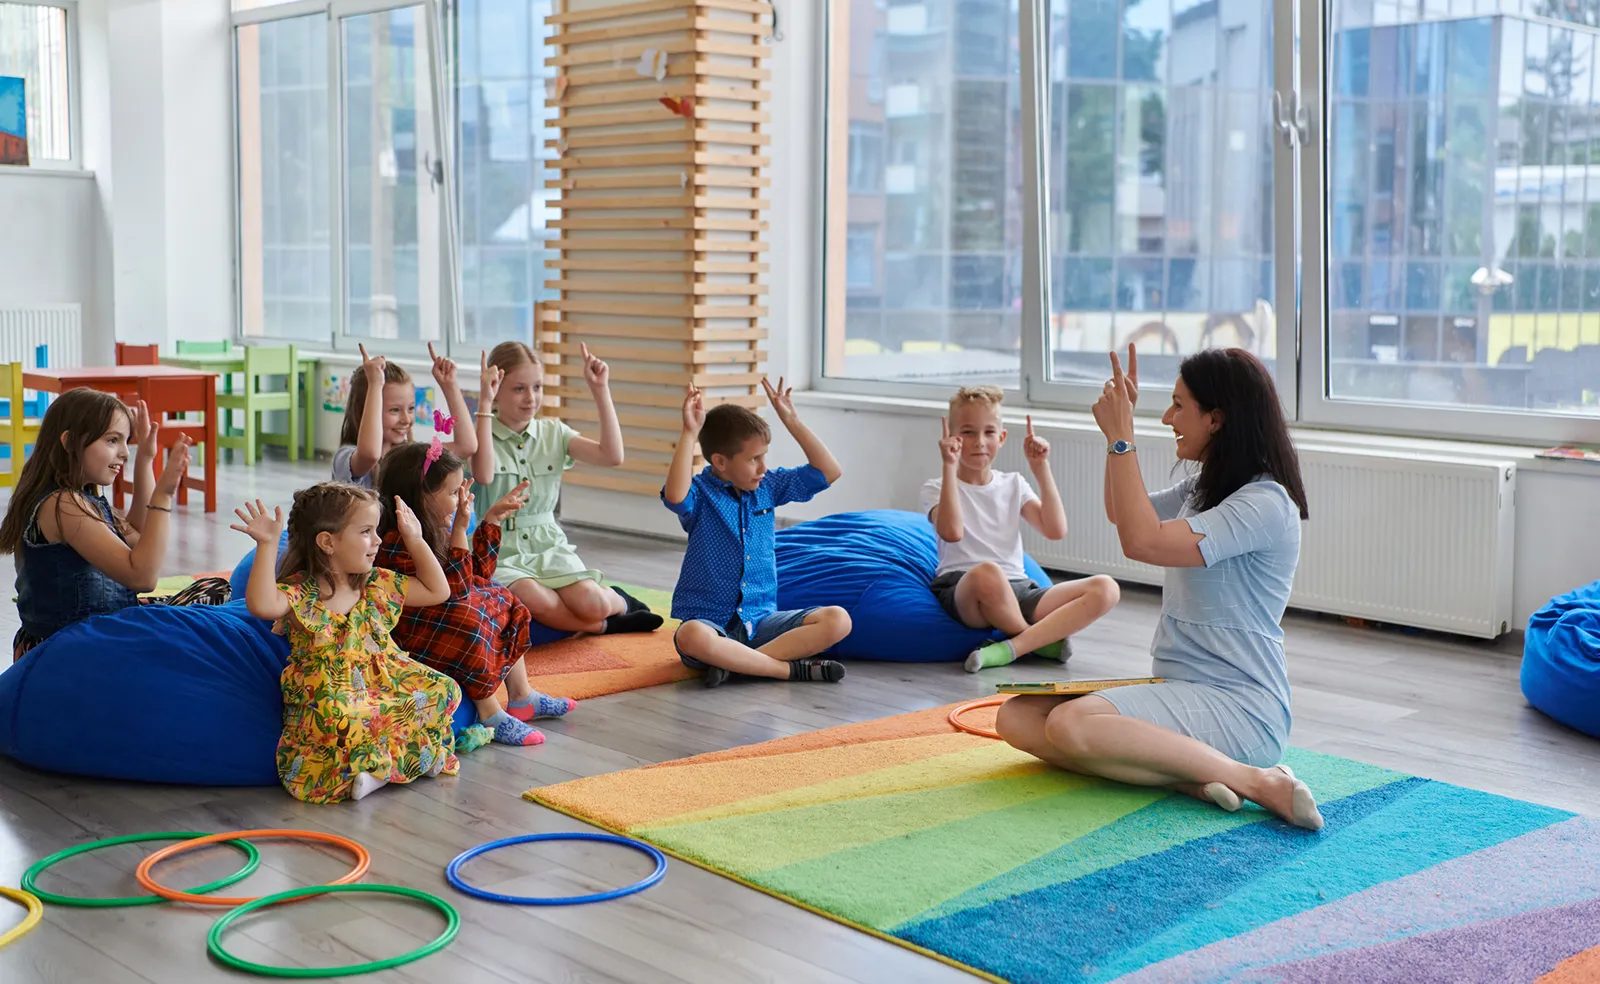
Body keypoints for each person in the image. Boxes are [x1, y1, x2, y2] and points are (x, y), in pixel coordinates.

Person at [995, 345, 1326, 831]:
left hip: (1242, 706)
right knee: (1016, 718)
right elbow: (1122, 512)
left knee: (1071, 725)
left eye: (1178, 406)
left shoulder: (1264, 503)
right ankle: (1186, 778)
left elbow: (1141, 540)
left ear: (1216, 418)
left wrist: (1123, 437)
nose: (1169, 417)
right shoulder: (1205, 488)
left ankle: (1259, 781)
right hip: (1179, 687)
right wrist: (1114, 432)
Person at [233, 484, 462, 804]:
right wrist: (267, 544)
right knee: (343, 714)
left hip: (384, 678)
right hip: (330, 688)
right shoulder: (303, 591)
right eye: (366, 532)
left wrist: (416, 540)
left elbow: (438, 591)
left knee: (444, 689)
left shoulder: (377, 583)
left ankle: (386, 768)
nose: (378, 540)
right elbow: (261, 605)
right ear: (328, 542)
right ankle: (379, 771)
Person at [0, 389, 228, 661]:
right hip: (72, 646)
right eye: (112, 440)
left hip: (94, 628)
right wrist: (163, 497)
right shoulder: (64, 505)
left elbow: (139, 536)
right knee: (210, 610)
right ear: (70, 442)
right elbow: (143, 577)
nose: (124, 453)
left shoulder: (79, 498)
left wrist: (145, 458)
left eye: (125, 442)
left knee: (215, 590)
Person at [374, 441, 575, 748]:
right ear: (423, 497)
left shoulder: (433, 528)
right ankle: (489, 710)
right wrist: (458, 532)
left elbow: (477, 574)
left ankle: (522, 696)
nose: (461, 499)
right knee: (467, 616)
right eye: (453, 492)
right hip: (411, 634)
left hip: (440, 615)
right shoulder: (396, 541)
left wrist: (491, 520)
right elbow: (455, 591)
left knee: (499, 594)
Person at [664, 378, 851, 687]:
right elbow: (675, 496)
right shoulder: (699, 494)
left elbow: (828, 471)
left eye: (764, 455)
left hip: (761, 622)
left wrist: (792, 421)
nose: (763, 466)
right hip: (711, 625)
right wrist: (689, 433)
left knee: (838, 619)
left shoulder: (768, 487)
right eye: (753, 459)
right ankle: (784, 670)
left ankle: (736, 665)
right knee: (690, 635)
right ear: (721, 462)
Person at [923, 385, 1120, 673]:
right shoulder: (936, 487)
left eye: (989, 432)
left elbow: (1055, 530)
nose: (979, 442)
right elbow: (952, 532)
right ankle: (1038, 641)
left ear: (1002, 438)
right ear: (952, 437)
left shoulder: (1013, 483)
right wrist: (948, 467)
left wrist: (1041, 468)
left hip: (1019, 589)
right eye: (968, 432)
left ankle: (1010, 648)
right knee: (988, 572)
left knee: (1107, 587)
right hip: (966, 589)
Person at [470, 339, 661, 635]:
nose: (531, 398)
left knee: (592, 603)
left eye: (537, 387)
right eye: (519, 388)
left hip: (547, 544)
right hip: (497, 550)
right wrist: (483, 402)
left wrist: (600, 390)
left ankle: (617, 602)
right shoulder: (477, 433)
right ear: (495, 389)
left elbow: (612, 456)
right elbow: (483, 475)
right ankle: (606, 627)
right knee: (535, 599)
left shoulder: (554, 433)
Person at [333, 343, 484, 488]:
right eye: (395, 410)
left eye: (411, 408)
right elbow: (370, 455)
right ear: (365, 410)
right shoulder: (345, 458)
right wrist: (375, 385)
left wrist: (449, 385)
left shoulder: (409, 456)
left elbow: (466, 446)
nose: (406, 419)